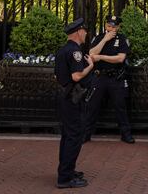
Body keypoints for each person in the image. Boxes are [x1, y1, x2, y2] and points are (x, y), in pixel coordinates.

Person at [54, 18, 95, 189]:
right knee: (74, 137)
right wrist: (90, 66)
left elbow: (57, 76)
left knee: (67, 136)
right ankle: (65, 178)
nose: (85, 34)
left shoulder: (63, 50)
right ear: (78, 32)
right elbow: (76, 76)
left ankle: (66, 171)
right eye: (84, 31)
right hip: (73, 100)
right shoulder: (75, 52)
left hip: (65, 98)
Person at [84, 15, 134, 144]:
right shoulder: (99, 37)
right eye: (108, 26)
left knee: (120, 107)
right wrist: (104, 40)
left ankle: (126, 134)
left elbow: (120, 58)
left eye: (113, 26)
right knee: (92, 106)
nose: (111, 28)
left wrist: (100, 57)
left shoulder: (122, 39)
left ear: (118, 27)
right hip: (99, 77)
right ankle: (86, 134)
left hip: (115, 78)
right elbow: (91, 53)